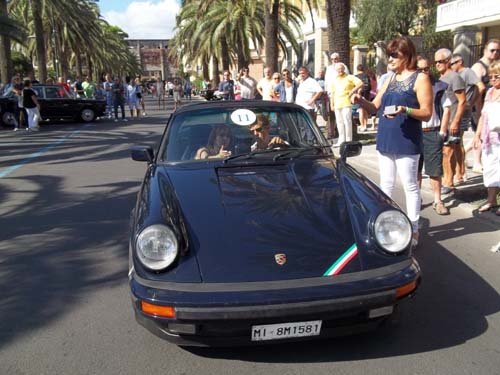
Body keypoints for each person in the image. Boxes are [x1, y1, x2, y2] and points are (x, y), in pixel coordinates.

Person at [352, 36, 433, 247]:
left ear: (407, 55)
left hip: (407, 140)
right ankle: (384, 226)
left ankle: (414, 229)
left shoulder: (420, 78)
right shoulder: (388, 78)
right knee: (385, 185)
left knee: (410, 186)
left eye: (394, 55)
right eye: (389, 55)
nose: (390, 59)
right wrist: (361, 101)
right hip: (386, 137)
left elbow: (426, 112)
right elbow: (374, 108)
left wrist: (404, 109)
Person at [416, 56, 450, 215]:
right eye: (420, 69)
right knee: (415, 169)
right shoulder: (412, 86)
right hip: (415, 133)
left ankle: (438, 201)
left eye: (426, 69)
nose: (424, 72)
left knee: (435, 170)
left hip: (432, 132)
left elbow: (447, 107)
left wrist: (442, 131)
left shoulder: (439, 86)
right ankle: (416, 199)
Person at [435, 48, 466, 195]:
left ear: (448, 61)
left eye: (440, 61)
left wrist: (455, 122)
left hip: (452, 120)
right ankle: (451, 178)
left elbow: (462, 101)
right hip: (443, 122)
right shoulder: (440, 78)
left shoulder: (455, 77)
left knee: (448, 151)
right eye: (435, 62)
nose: (437, 64)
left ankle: (449, 182)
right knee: (447, 151)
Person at [473, 60, 500, 216]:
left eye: (496, 76)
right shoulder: (490, 92)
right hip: (489, 138)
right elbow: (483, 116)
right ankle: (491, 200)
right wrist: (477, 135)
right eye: (491, 77)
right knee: (490, 167)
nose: (493, 80)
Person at [450, 53, 482, 179]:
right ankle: (459, 172)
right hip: (454, 109)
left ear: (460, 62)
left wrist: (471, 103)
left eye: (452, 63)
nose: (451, 66)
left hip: (462, 110)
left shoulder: (467, 72)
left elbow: (480, 86)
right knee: (455, 141)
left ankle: (461, 172)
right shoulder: (455, 75)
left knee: (457, 141)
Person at [329, 63, 363, 146]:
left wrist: (353, 91)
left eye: (341, 68)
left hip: (346, 102)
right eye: (338, 69)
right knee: (339, 122)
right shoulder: (334, 79)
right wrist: (331, 104)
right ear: (336, 70)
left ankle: (348, 140)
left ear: (344, 69)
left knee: (347, 121)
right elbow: (332, 93)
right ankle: (341, 140)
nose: (340, 70)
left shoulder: (349, 77)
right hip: (337, 103)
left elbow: (360, 83)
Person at [355, 64, 372, 132]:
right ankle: (365, 125)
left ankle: (362, 126)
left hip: (359, 95)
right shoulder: (366, 76)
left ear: (357, 69)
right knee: (365, 110)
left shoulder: (355, 77)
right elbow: (369, 86)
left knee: (361, 110)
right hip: (367, 94)